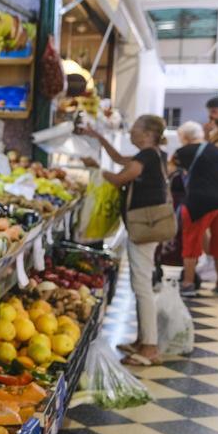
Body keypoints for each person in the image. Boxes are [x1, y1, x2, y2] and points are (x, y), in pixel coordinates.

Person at [77, 116, 169, 366]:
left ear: (147, 134)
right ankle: (142, 340)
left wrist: (97, 168)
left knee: (142, 285)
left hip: (144, 228)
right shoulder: (153, 154)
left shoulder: (148, 155)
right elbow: (119, 159)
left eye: (135, 129)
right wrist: (98, 137)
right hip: (144, 227)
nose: (131, 133)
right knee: (140, 283)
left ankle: (149, 348)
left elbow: (120, 178)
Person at [171, 121, 218, 297]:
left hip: (200, 202)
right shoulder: (214, 149)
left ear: (185, 137)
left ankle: (188, 284)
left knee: (192, 242)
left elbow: (167, 170)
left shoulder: (183, 152)